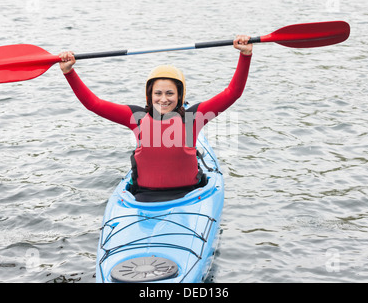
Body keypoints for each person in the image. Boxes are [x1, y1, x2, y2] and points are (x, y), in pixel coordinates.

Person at [59, 35, 253, 202]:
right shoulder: (136, 117)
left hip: (189, 197)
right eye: (158, 93)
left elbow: (232, 93)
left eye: (170, 93)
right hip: (143, 198)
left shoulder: (193, 118)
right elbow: (94, 104)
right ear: (149, 96)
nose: (163, 99)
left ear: (180, 96)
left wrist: (245, 55)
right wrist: (69, 72)